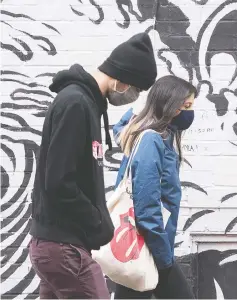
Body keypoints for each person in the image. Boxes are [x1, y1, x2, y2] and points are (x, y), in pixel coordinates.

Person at [29, 32, 157, 299]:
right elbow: (59, 182)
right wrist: (97, 220)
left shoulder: (85, 104)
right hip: (64, 247)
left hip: (59, 246)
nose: (134, 96)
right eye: (136, 88)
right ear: (121, 80)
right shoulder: (76, 104)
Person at [112, 75, 196, 299]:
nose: (190, 112)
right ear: (168, 106)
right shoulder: (152, 140)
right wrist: (163, 258)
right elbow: (147, 205)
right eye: (185, 106)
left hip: (144, 244)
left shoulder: (165, 136)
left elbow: (122, 127)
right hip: (147, 245)